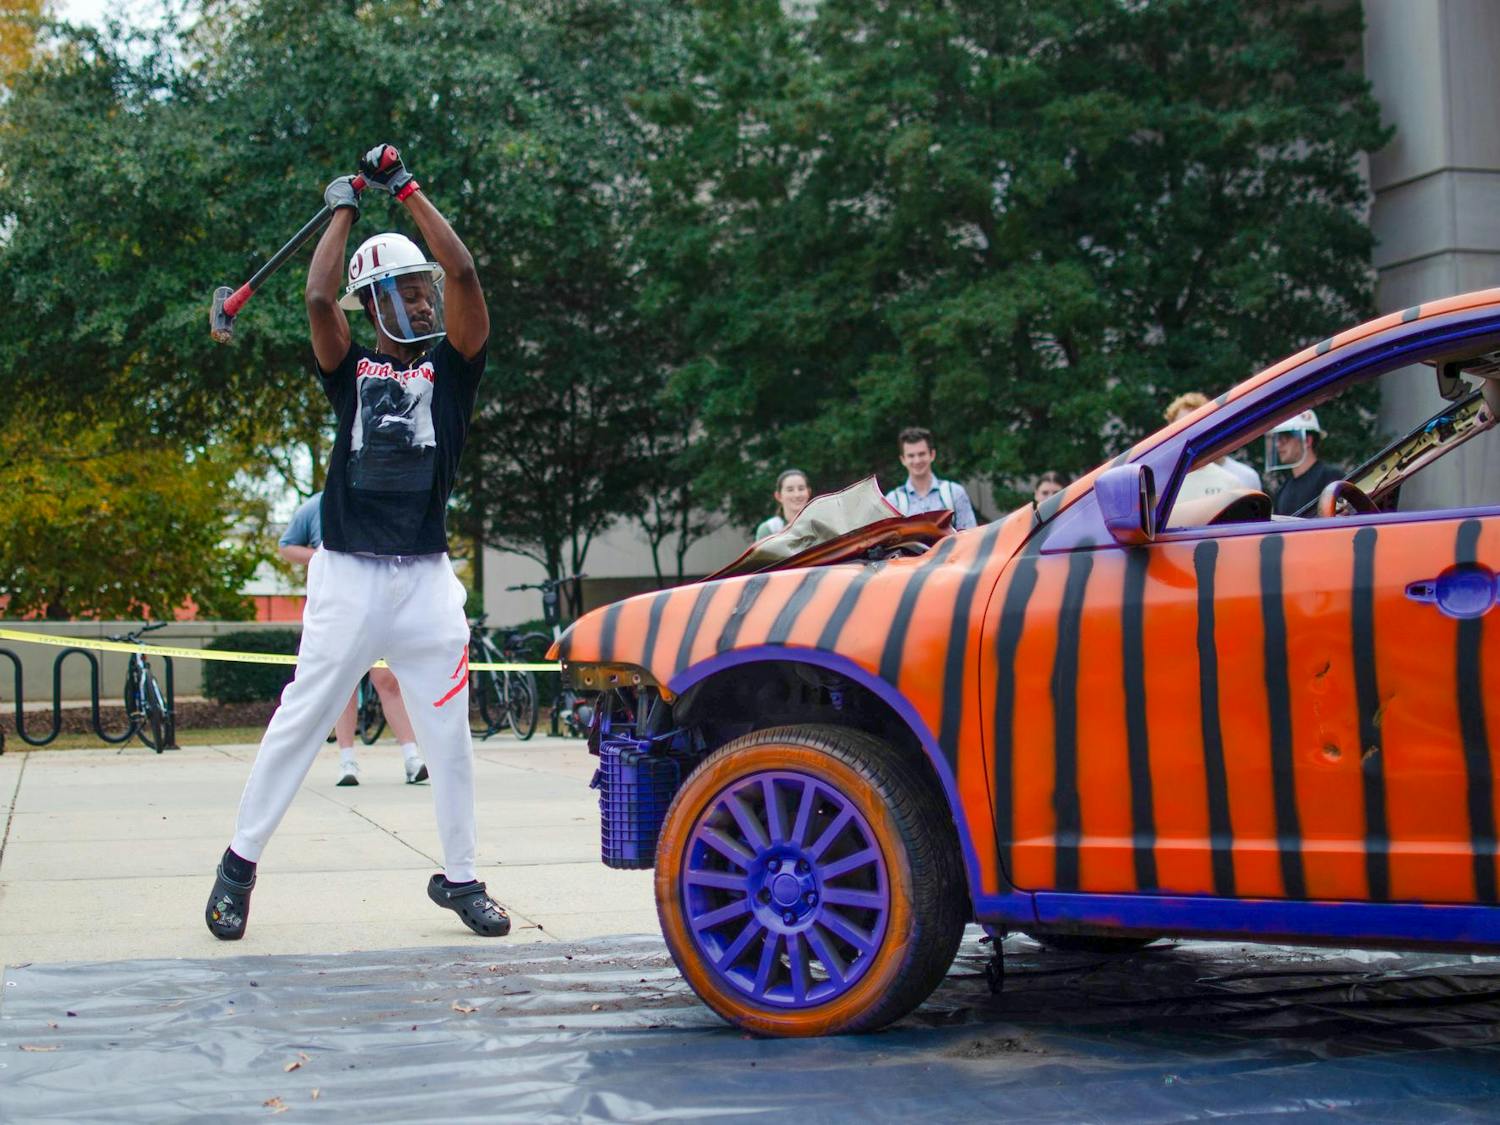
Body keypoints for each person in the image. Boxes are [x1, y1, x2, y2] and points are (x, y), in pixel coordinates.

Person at [205, 143, 510, 943]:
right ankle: (238, 865)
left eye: (421, 289)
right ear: (371, 305)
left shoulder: (456, 369)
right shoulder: (350, 368)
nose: (419, 300)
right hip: (346, 575)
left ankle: (463, 878)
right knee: (301, 718)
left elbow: (467, 274)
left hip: (425, 582)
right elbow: (315, 296)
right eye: (401, 292)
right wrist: (342, 206)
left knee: (449, 736)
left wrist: (405, 188)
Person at [278, 490, 428, 787]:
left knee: (387, 680)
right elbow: (286, 546)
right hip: (337, 607)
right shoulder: (317, 505)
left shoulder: (376, 499)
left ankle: (412, 757)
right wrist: (322, 558)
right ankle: (347, 761)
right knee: (343, 683)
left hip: (377, 605)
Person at [1164, 392, 1262, 495]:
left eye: (1195, 425)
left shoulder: (1236, 480)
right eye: (1182, 427)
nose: (1189, 434)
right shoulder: (1162, 483)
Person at [884, 426, 978, 529]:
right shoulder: (893, 501)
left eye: (922, 454)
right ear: (903, 460)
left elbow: (971, 536)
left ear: (932, 455)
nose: (917, 460)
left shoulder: (955, 493)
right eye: (911, 456)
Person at [1268, 409, 1343, 516]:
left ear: (1307, 441)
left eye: (1286, 438)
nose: (1278, 445)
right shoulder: (1284, 489)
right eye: (1278, 439)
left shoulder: (1329, 476)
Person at [754, 469, 811, 539]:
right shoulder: (769, 529)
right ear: (778, 496)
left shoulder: (820, 524)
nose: (797, 495)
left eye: (801, 489)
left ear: (808, 492)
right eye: (790, 490)